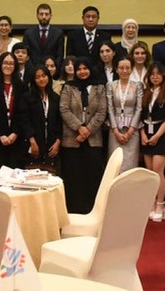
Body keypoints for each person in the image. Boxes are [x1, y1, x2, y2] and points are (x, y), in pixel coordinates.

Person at [59, 56, 107, 213]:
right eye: (79, 69)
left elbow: (102, 111)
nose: (82, 71)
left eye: (85, 68)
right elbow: (64, 109)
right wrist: (79, 128)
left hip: (93, 139)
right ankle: (73, 208)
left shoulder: (99, 87)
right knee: (74, 175)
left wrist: (87, 130)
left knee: (92, 173)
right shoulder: (68, 87)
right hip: (72, 139)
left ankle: (92, 209)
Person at [140, 63, 165, 222]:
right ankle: (152, 203)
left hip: (162, 135)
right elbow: (140, 115)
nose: (155, 77)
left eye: (158, 74)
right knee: (149, 172)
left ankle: (161, 205)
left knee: (158, 171)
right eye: (152, 74)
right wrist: (142, 134)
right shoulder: (146, 92)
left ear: (163, 76)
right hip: (146, 133)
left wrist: (157, 136)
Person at [0, 52, 26, 168]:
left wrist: (15, 133)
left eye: (11, 63)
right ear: (0, 64)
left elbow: (22, 112)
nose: (8, 66)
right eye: (5, 63)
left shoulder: (21, 86)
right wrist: (1, 134)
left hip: (16, 139)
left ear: (15, 66)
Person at [20, 65, 62, 173]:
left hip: (52, 145)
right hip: (33, 144)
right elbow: (25, 121)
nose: (41, 79)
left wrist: (57, 142)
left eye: (44, 76)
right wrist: (32, 141)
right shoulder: (27, 97)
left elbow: (59, 121)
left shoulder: (55, 98)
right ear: (33, 80)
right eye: (37, 77)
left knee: (50, 177)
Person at [106, 56, 143, 172]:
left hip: (132, 129)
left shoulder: (138, 85)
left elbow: (139, 108)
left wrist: (131, 130)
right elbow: (110, 108)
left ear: (131, 69)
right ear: (116, 69)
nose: (124, 71)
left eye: (127, 68)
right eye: (121, 68)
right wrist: (115, 131)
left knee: (130, 164)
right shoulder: (110, 85)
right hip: (115, 129)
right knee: (115, 164)